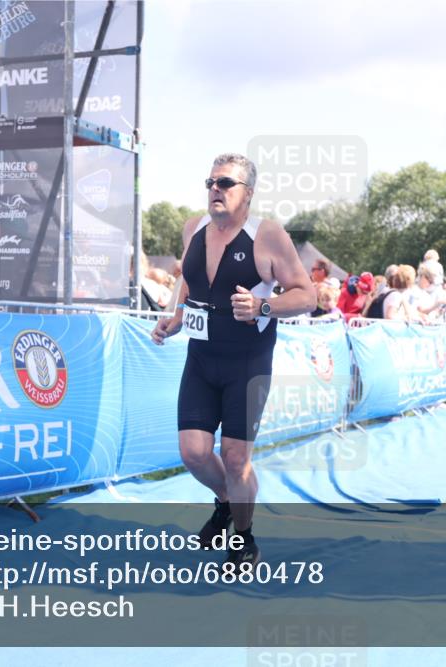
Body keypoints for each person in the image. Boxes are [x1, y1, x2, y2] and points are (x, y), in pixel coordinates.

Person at [151, 153, 315, 569]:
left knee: (238, 459)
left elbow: (306, 295)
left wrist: (263, 306)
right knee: (193, 452)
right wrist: (175, 317)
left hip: (247, 362)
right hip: (202, 356)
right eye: (210, 182)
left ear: (248, 193)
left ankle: (244, 538)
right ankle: (226, 501)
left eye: (225, 183)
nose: (215, 190)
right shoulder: (194, 228)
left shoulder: (268, 235)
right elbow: (188, 280)